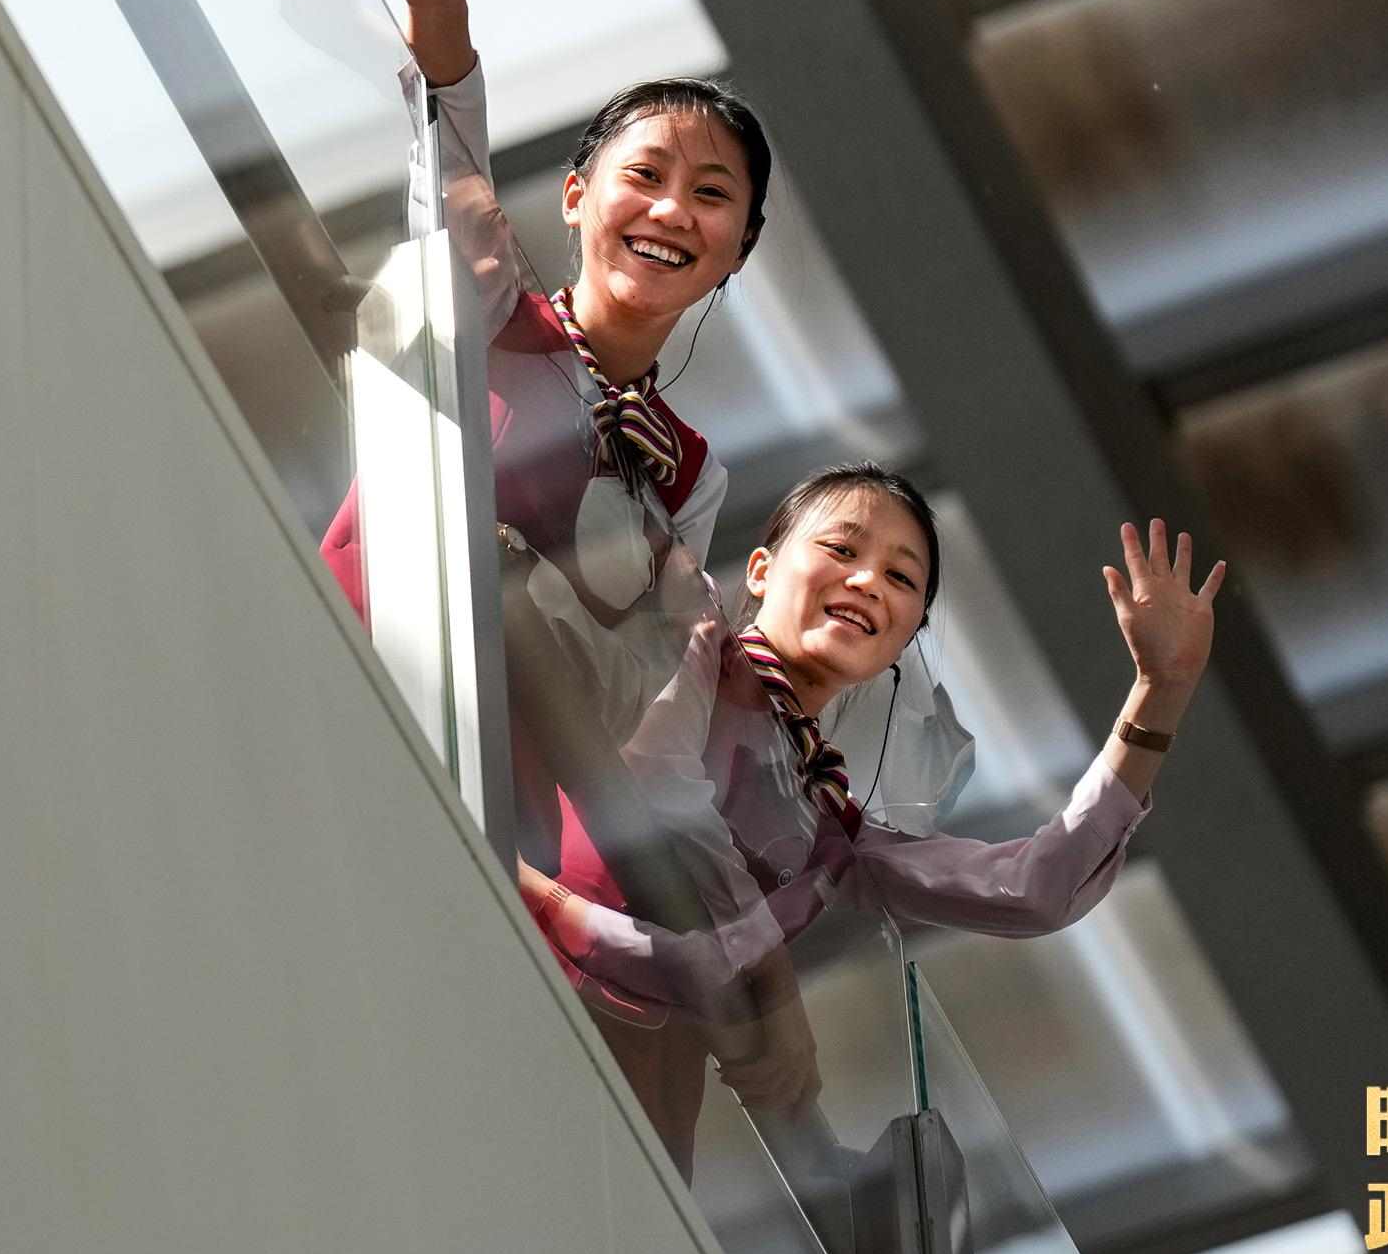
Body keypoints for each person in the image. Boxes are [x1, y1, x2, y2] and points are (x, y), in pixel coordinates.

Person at [509, 465, 1228, 1168]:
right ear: (760, 571)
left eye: (901, 578)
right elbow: (656, 781)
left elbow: (1035, 889)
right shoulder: (686, 643)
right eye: (841, 548)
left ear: (903, 641)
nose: (867, 582)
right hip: (522, 975)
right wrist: (767, 970)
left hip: (643, 1091)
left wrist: (1158, 694)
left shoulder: (829, 830)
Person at [313, 0, 774, 638]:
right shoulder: (488, 313)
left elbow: (650, 672)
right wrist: (443, 20)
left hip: (496, 724)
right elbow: (452, 169)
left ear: (741, 248)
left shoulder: (689, 475)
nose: (672, 211)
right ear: (574, 196)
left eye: (710, 194)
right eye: (644, 176)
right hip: (347, 650)